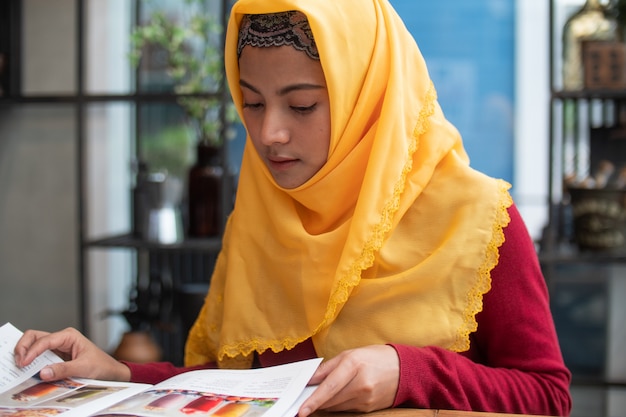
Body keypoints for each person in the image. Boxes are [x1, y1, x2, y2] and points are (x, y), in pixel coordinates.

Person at [14, 0, 572, 415]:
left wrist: (408, 372)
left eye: (301, 105)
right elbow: (243, 386)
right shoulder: (264, 214)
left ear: (368, 96)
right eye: (251, 103)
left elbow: (548, 396)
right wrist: (122, 372)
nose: (269, 133)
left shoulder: (478, 219)